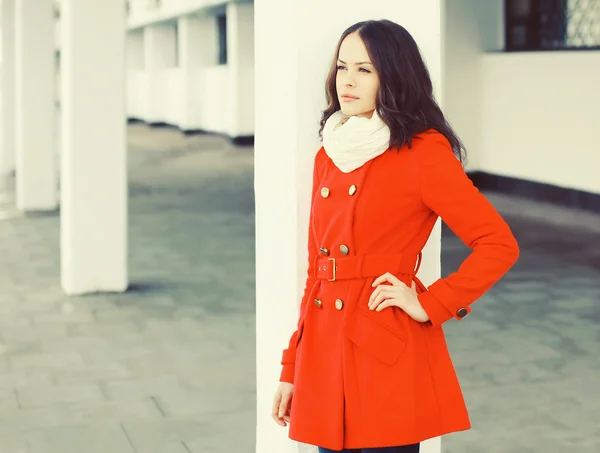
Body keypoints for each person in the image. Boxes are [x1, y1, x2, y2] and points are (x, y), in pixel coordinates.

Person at [271, 19, 520, 453]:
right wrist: (292, 367)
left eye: (365, 70)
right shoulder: (329, 153)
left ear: (395, 74)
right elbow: (318, 270)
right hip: (325, 351)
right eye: (342, 67)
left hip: (382, 342)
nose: (347, 81)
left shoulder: (423, 152)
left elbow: (498, 244)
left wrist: (431, 304)